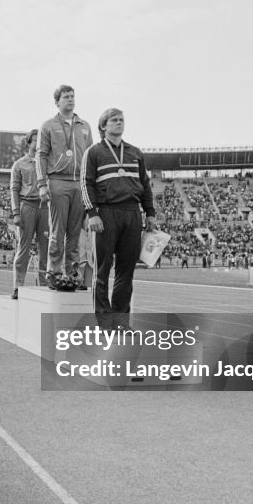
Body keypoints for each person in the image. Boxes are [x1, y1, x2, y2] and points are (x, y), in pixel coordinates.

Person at [82, 108, 156, 329]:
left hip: (132, 213)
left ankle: (121, 321)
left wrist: (150, 213)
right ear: (103, 125)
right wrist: (92, 213)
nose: (119, 123)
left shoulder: (135, 152)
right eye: (114, 120)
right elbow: (86, 184)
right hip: (105, 213)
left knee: (126, 271)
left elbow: (145, 185)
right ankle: (104, 322)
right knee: (102, 270)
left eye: (121, 120)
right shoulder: (94, 152)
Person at [36, 84, 93, 280]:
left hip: (79, 183)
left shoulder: (84, 126)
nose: (70, 99)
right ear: (57, 102)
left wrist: (90, 186)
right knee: (57, 232)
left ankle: (72, 273)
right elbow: (41, 155)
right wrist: (42, 184)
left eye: (72, 96)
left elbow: (90, 156)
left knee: (75, 233)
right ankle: (54, 272)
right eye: (66, 96)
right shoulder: (48, 126)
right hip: (58, 181)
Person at [9, 128, 48, 299]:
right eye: (36, 140)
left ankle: (44, 285)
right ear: (29, 143)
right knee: (23, 249)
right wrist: (16, 212)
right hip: (27, 205)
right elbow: (14, 189)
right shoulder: (19, 164)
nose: (39, 144)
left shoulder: (48, 163)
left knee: (45, 249)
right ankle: (18, 286)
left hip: (45, 206)